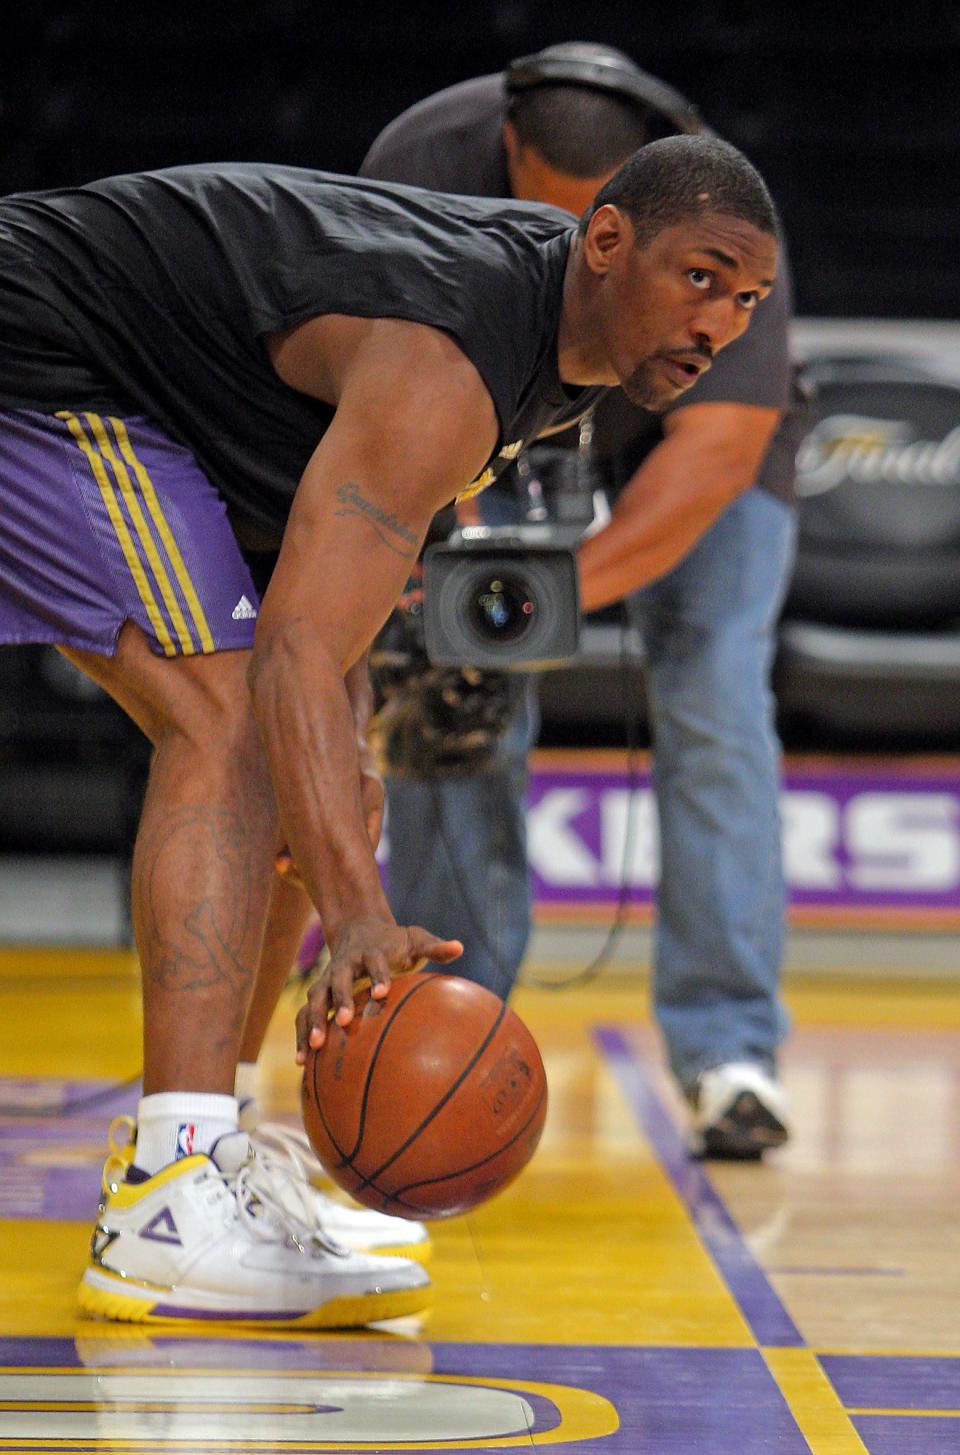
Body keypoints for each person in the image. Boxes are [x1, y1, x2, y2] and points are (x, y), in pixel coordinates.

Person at [0, 135, 779, 1323]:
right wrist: (360, 911)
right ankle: (168, 1194)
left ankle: (212, 1153)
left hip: (136, 390)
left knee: (319, 785)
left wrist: (342, 795)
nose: (720, 323)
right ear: (608, 241)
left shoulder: (557, 348)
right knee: (240, 733)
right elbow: (295, 656)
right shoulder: (454, 357)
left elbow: (334, 597)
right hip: (37, 345)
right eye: (703, 278)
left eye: (748, 302)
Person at [358, 42, 804, 1159]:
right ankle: (451, 1027)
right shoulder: (421, 159)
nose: (585, 265)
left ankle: (729, 1049)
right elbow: (380, 374)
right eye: (561, 234)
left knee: (712, 701)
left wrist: (542, 594)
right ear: (507, 158)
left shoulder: (718, 213)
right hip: (501, 425)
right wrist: (452, 588)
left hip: (684, 448)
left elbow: (717, 456)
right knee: (455, 698)